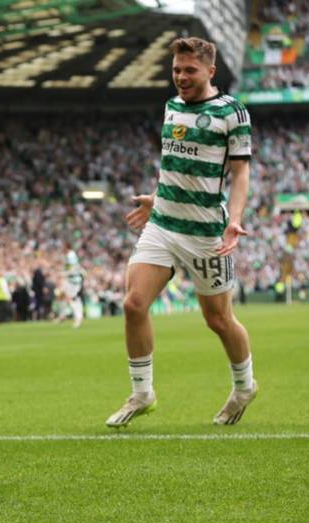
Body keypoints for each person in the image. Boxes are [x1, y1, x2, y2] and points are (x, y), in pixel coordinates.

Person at [106, 37, 258, 428]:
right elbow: (176, 167)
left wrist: (234, 219)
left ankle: (245, 386)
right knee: (133, 304)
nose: (181, 77)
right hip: (163, 224)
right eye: (176, 69)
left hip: (206, 232)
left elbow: (240, 172)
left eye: (190, 70)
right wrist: (156, 199)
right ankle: (143, 393)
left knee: (218, 320)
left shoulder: (232, 112)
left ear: (211, 71)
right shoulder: (171, 106)